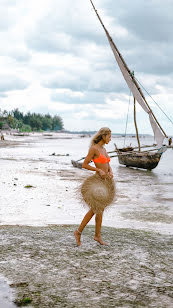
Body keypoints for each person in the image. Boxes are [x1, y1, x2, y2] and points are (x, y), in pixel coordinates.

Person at [74, 127, 114, 246]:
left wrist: (110, 171)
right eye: (109, 137)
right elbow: (84, 165)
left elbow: (107, 164)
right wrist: (98, 170)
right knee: (95, 209)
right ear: (103, 136)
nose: (110, 139)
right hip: (97, 182)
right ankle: (78, 232)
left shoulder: (104, 149)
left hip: (105, 182)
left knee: (99, 210)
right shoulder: (94, 149)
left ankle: (97, 236)